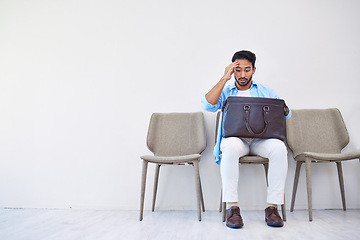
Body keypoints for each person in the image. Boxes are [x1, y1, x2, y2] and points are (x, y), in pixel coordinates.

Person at [201, 50, 291, 228]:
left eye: (247, 70)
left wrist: (285, 109)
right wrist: (224, 78)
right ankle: (232, 208)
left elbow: (286, 115)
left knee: (279, 148)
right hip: (236, 140)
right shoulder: (227, 90)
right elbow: (207, 105)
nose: (243, 74)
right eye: (238, 70)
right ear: (233, 70)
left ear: (254, 70)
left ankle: (272, 208)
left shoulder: (265, 90)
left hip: (261, 140)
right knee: (229, 147)